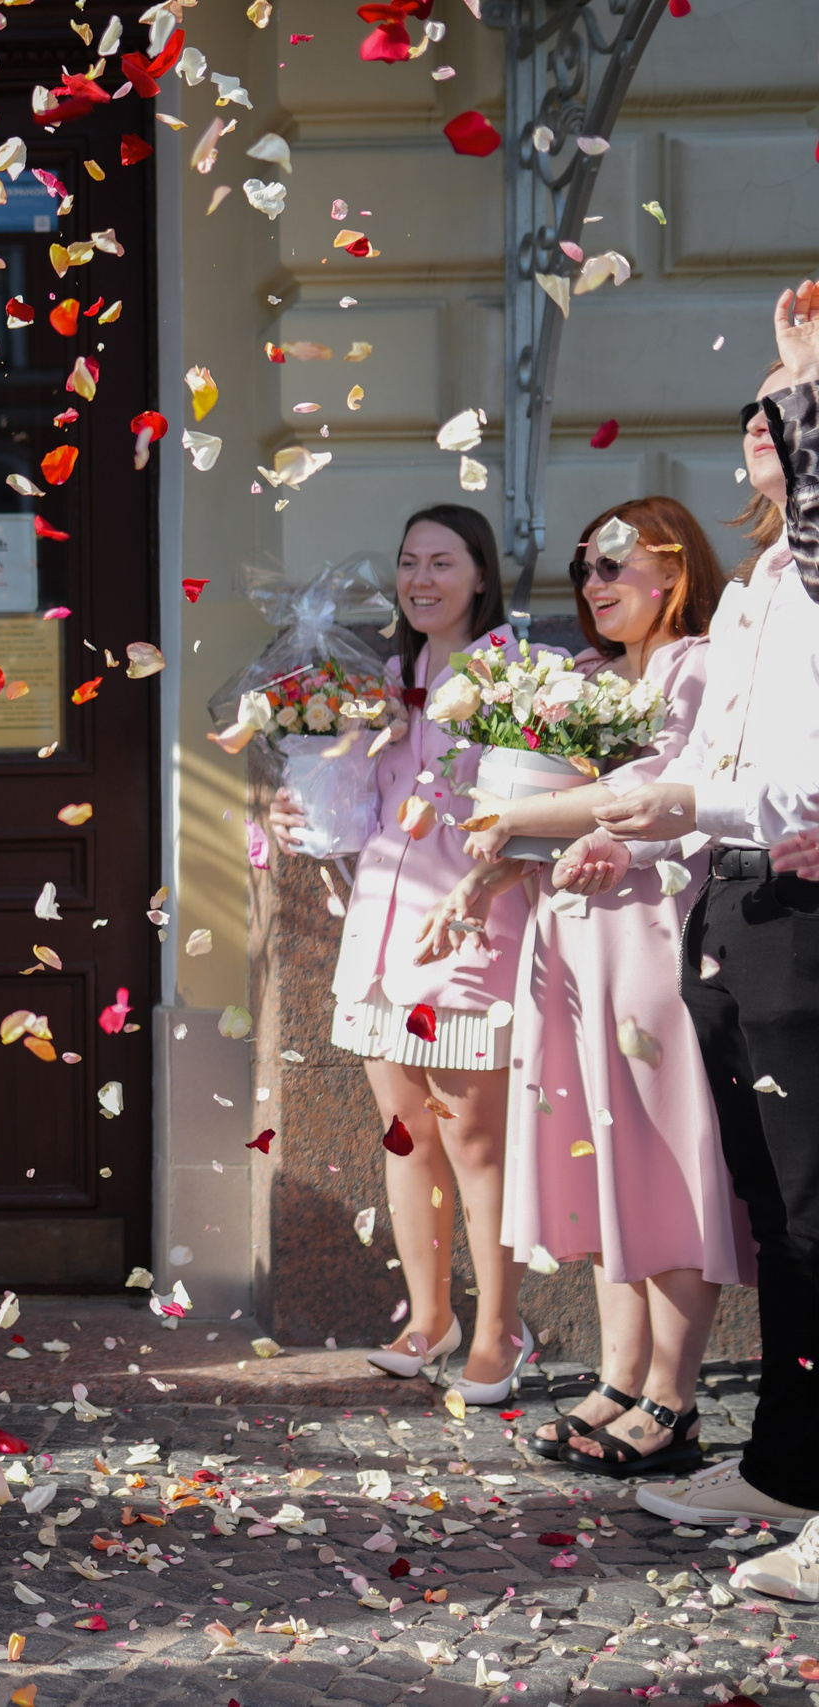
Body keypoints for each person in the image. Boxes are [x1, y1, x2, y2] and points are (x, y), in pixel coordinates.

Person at [564, 286, 819, 1586]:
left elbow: (782, 774)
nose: (762, 433)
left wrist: (676, 803)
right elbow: (732, 764)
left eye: (782, 420)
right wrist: (660, 826)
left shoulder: (804, 574)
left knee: (814, 1211)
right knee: (781, 1212)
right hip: (735, 892)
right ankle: (786, 1459)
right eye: (758, 421)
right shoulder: (767, 582)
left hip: (799, 892)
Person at [422, 497, 740, 1476]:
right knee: (595, 1147)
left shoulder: (702, 669)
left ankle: (673, 1400)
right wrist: (488, 870)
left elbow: (703, 799)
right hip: (568, 938)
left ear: (673, 571)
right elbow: (528, 815)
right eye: (586, 570)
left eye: (615, 567)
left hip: (654, 934)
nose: (596, 587)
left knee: (658, 1148)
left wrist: (596, 828)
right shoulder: (580, 682)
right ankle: (618, 1374)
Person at [271, 506, 537, 1404]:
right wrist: (301, 807)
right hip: (380, 936)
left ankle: (501, 1330)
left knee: (475, 1141)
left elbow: (530, 810)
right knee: (404, 1130)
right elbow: (358, 812)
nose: (422, 579)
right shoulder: (386, 676)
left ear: (479, 574)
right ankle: (431, 1318)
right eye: (409, 562)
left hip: (463, 934)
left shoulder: (512, 677)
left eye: (443, 561)